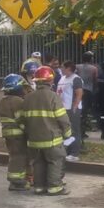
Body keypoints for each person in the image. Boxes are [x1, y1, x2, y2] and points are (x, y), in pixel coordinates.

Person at [16, 66, 73, 196]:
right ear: (50, 81)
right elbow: (62, 119)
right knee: (55, 161)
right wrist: (67, 133)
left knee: (38, 163)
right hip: (51, 139)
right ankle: (55, 187)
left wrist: (28, 132)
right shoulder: (53, 97)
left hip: (33, 140)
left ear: (36, 81)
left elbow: (21, 120)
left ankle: (39, 187)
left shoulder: (28, 98)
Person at [0, 74, 31, 191]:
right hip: (17, 135)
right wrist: (29, 131)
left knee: (14, 155)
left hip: (8, 134)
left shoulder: (2, 101)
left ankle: (19, 180)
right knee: (19, 156)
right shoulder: (17, 101)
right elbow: (21, 120)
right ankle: (16, 181)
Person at [57, 61, 85, 161]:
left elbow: (79, 93)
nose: (61, 69)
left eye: (62, 67)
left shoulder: (75, 79)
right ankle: (67, 151)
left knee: (74, 131)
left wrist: (75, 106)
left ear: (68, 68)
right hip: (63, 108)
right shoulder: (62, 78)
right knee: (65, 131)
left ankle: (74, 153)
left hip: (71, 109)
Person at [77, 51, 99, 135]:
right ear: (90, 59)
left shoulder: (77, 67)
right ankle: (83, 131)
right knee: (85, 111)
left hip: (78, 90)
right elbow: (95, 80)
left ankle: (79, 129)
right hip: (88, 91)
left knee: (79, 110)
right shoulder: (94, 68)